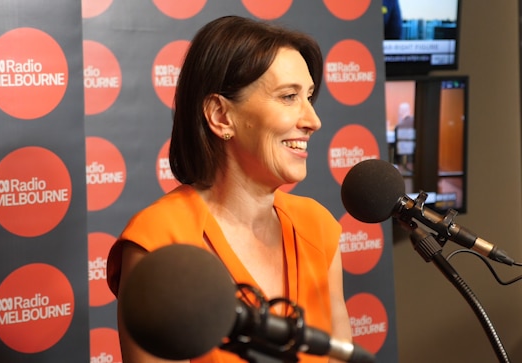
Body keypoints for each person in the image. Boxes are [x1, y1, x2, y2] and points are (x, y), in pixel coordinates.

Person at [107, 15, 353, 363]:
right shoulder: (158, 241)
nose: (313, 120)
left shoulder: (318, 227)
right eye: (288, 97)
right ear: (221, 116)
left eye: (309, 97)